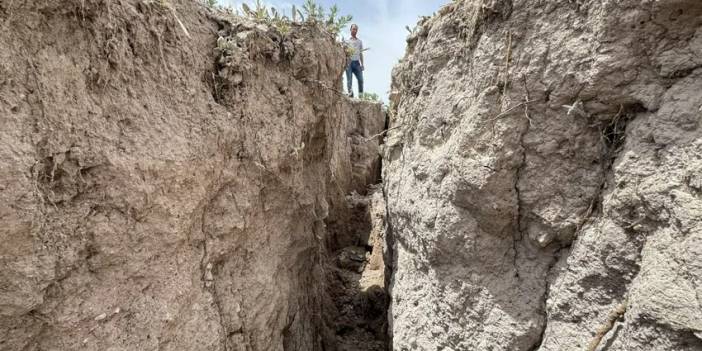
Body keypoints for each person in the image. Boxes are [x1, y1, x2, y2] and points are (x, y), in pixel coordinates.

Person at [345, 24, 364, 98]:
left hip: (357, 63)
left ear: (357, 31)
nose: (354, 30)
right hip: (349, 63)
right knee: (349, 80)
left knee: (361, 80)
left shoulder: (360, 42)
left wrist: (362, 64)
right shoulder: (347, 41)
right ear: (350, 30)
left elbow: (361, 53)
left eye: (356, 29)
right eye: (353, 29)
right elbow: (344, 53)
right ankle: (351, 95)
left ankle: (361, 96)